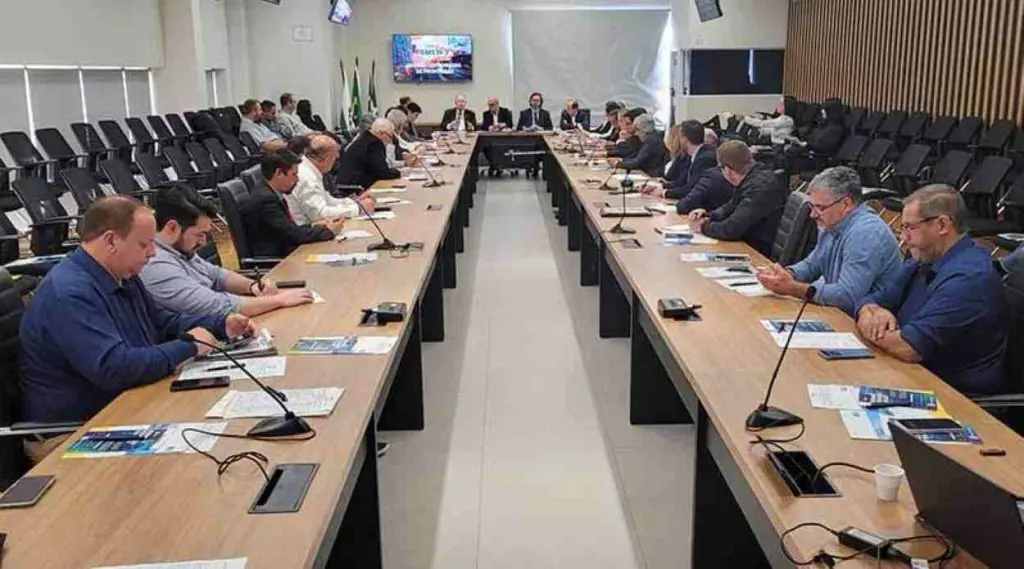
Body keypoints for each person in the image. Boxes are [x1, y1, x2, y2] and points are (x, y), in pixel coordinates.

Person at [18, 196, 254, 460]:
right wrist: (190, 346)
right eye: (144, 244)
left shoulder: (121, 273)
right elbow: (116, 368)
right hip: (72, 433)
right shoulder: (69, 294)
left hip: (124, 407)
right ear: (110, 241)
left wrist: (221, 325)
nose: (152, 253)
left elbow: (162, 322)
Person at [855, 185, 1007, 395]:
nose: (903, 238)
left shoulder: (969, 279)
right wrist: (874, 311)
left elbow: (908, 347)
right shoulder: (922, 258)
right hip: (911, 375)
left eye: (909, 228)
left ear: (942, 225)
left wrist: (868, 323)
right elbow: (869, 300)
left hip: (952, 397)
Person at [141, 186, 314, 317]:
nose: (203, 242)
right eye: (199, 235)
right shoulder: (156, 264)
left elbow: (217, 275)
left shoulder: (179, 249)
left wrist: (253, 286)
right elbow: (216, 307)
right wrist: (277, 300)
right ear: (172, 228)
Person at [755, 167, 901, 316]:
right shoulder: (833, 222)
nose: (812, 215)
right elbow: (812, 264)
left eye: (820, 207)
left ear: (847, 204)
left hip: (865, 321)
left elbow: (847, 297)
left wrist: (792, 288)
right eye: (811, 206)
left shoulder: (865, 233)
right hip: (838, 312)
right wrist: (788, 274)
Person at [688, 140, 787, 256]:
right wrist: (708, 216)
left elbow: (731, 230)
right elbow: (731, 206)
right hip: (749, 244)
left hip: (758, 252)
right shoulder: (753, 178)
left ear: (728, 170)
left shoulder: (760, 188)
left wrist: (703, 227)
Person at [241, 149, 345, 258]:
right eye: (294, 174)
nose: (297, 179)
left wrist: (314, 225)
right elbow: (292, 235)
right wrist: (328, 231)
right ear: (279, 173)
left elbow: (288, 229)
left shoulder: (268, 190)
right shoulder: (266, 200)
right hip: (279, 261)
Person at [285, 134, 376, 224]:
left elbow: (328, 200)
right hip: (309, 228)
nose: (335, 161)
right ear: (327, 158)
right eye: (335, 157)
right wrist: (358, 209)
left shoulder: (309, 168)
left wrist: (355, 202)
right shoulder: (306, 176)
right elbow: (320, 214)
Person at [335, 118, 404, 191]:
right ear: (382, 133)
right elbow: (383, 173)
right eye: (390, 137)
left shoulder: (364, 139)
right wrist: (400, 173)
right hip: (356, 188)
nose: (390, 141)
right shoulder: (374, 144)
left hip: (348, 184)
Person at [664, 120, 718, 199]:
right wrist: (662, 186)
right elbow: (682, 182)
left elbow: (692, 188)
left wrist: (665, 193)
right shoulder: (693, 155)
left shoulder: (704, 159)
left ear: (685, 139)